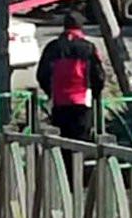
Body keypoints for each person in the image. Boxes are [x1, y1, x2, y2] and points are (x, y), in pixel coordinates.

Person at [37, 11, 106, 142]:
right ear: (81, 27)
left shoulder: (52, 47)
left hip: (59, 101)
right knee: (81, 142)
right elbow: (98, 76)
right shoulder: (88, 48)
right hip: (82, 101)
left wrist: (50, 93)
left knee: (62, 142)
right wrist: (95, 94)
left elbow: (42, 75)